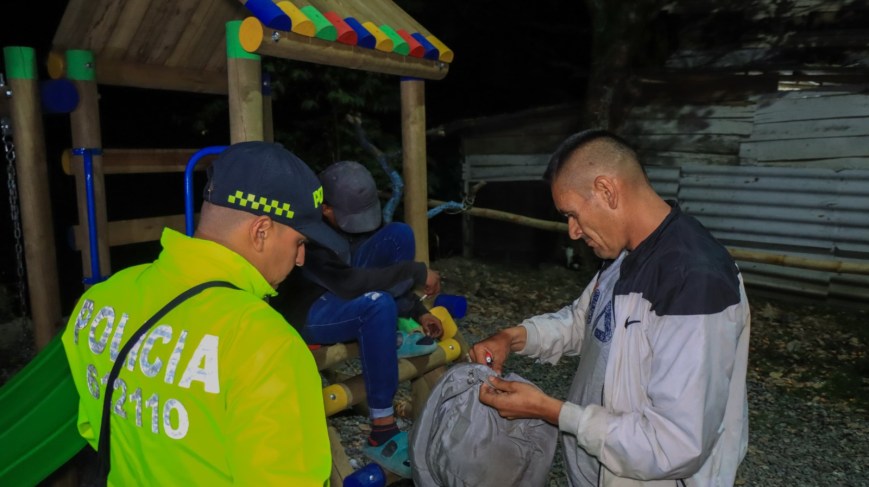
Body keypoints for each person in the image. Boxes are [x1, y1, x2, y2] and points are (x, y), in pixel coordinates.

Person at [469, 129, 750, 486]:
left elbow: (674, 445)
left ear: (606, 190)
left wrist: (550, 411)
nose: (572, 231)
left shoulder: (693, 281)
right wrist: (513, 337)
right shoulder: (625, 255)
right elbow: (584, 322)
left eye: (572, 214)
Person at [61, 141, 341, 485]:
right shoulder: (266, 343)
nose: (300, 259)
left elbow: (92, 428)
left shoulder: (101, 300)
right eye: (300, 242)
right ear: (261, 231)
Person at [270, 160, 443, 478]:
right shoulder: (306, 229)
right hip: (307, 309)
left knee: (398, 234)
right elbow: (350, 284)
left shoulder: (342, 224)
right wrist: (416, 272)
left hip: (343, 284)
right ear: (325, 209)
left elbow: (368, 273)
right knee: (376, 304)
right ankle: (382, 428)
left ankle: (394, 325)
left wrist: (417, 311)